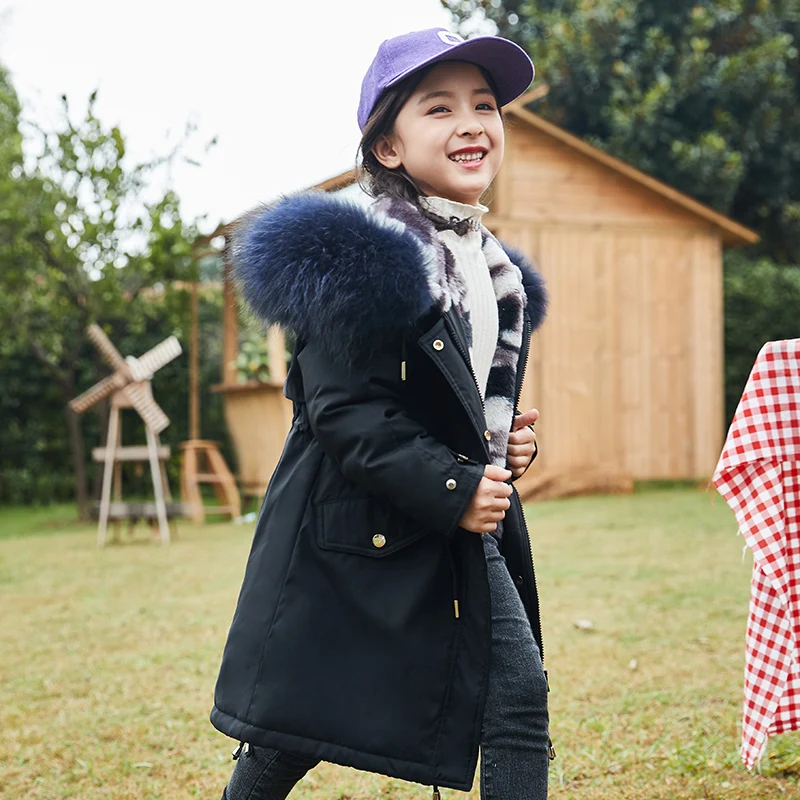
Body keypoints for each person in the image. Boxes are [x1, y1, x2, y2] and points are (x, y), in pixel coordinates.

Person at [211, 26, 552, 800]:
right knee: (288, 726)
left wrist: (497, 446)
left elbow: (447, 398)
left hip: (447, 518)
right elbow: (345, 409)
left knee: (515, 695)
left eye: (484, 104)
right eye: (438, 108)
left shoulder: (488, 263)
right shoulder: (358, 252)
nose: (471, 122)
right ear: (388, 147)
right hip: (347, 524)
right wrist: (455, 485)